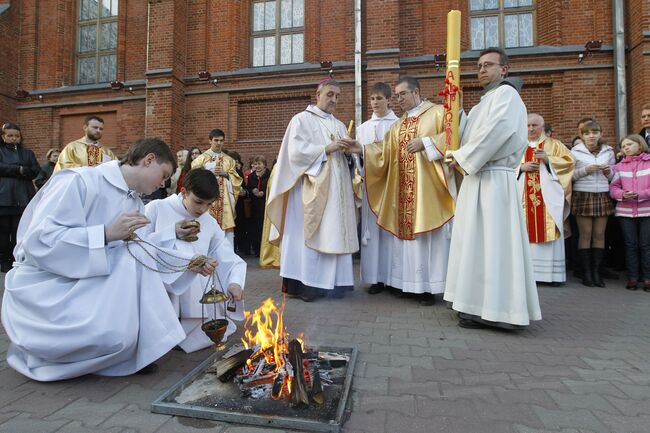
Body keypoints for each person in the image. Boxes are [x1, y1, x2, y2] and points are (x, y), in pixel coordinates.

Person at [1, 138, 216, 381]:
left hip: (96, 279)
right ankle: (108, 345)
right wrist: (104, 234)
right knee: (126, 263)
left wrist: (187, 261)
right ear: (148, 160)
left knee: (130, 261)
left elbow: (142, 249)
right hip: (52, 282)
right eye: (164, 175)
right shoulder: (80, 181)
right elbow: (38, 241)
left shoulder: (134, 201)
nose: (163, 183)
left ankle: (131, 347)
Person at [443, 47, 541, 329]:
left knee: (495, 245)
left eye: (488, 65)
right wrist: (454, 111)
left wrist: (461, 158)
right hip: (477, 179)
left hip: (495, 180)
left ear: (504, 70)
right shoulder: (481, 103)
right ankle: (474, 304)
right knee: (475, 244)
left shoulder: (507, 96)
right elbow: (465, 135)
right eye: (479, 65)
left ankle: (502, 311)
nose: (481, 70)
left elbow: (497, 132)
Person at [345, 77, 454, 306]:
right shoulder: (398, 125)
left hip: (427, 192)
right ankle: (409, 285)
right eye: (396, 95)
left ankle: (428, 289)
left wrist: (426, 143)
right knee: (405, 241)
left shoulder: (437, 113)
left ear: (416, 92)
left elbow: (454, 137)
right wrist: (361, 149)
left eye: (402, 94)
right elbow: (383, 152)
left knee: (426, 238)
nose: (399, 99)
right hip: (403, 193)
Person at [266, 79, 358, 302]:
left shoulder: (339, 125)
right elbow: (295, 153)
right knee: (308, 236)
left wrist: (348, 154)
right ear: (317, 95)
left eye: (337, 96)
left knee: (334, 233)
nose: (334, 100)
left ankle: (335, 284)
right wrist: (326, 149)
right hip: (309, 192)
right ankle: (306, 285)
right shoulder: (301, 120)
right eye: (329, 94)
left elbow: (349, 160)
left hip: (337, 193)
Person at [145, 168, 246, 352]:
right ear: (183, 192)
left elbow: (226, 255)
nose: (202, 210)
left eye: (209, 204)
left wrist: (234, 282)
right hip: (159, 287)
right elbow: (138, 246)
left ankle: (183, 332)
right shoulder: (156, 209)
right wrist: (171, 234)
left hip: (195, 292)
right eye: (198, 202)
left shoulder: (208, 221)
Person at [518, 113, 574, 284]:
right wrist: (521, 167)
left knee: (549, 230)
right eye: (528, 125)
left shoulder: (554, 145)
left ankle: (552, 276)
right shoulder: (516, 146)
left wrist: (548, 160)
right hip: (523, 198)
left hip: (548, 200)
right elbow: (505, 166)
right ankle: (527, 276)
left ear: (542, 127)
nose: (531, 129)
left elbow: (569, 163)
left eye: (535, 125)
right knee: (523, 231)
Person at [355, 82, 399, 295]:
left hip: (392, 187)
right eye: (372, 99)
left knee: (391, 232)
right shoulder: (362, 128)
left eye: (379, 98)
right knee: (371, 233)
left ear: (389, 100)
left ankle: (393, 277)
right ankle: (375, 278)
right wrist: (355, 153)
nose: (375, 103)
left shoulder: (398, 125)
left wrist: (367, 150)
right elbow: (358, 160)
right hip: (370, 187)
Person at [571, 119, 615, 287]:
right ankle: (586, 274)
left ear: (600, 134)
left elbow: (613, 178)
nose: (591, 136)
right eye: (587, 133)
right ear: (581, 135)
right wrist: (585, 171)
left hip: (602, 194)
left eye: (595, 132)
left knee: (599, 235)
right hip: (583, 194)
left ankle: (597, 273)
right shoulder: (574, 152)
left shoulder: (608, 151)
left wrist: (608, 171)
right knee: (586, 234)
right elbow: (570, 177)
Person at [609, 134, 650, 291]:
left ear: (640, 146)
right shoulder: (619, 166)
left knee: (646, 245)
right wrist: (621, 195)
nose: (626, 147)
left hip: (647, 211)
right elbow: (613, 188)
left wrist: (640, 194)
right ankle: (633, 278)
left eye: (629, 144)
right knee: (630, 245)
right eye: (623, 146)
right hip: (626, 212)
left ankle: (647, 278)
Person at [0, 123, 40, 273]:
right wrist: (20, 169)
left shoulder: (28, 153)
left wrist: (14, 169)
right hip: (3, 197)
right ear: (3, 137)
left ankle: (18, 258)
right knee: (3, 231)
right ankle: (4, 259)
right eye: (9, 135)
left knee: (20, 230)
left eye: (16, 136)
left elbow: (36, 170)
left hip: (24, 197)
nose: (13, 138)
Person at [192, 129, 242, 247]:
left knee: (226, 229)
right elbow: (193, 176)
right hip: (207, 200)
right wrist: (207, 171)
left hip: (224, 201)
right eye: (216, 140)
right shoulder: (201, 159)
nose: (219, 143)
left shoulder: (229, 160)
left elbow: (237, 180)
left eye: (221, 141)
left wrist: (226, 174)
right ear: (210, 141)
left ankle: (226, 257)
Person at [246, 156, 271, 257]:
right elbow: (249, 187)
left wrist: (264, 192)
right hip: (254, 205)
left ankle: (266, 250)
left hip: (265, 205)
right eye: (255, 164)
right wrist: (253, 190)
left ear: (264, 165)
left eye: (259, 164)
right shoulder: (252, 176)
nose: (257, 166)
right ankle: (257, 250)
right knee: (255, 228)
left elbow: (271, 187)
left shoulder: (269, 175)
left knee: (264, 227)